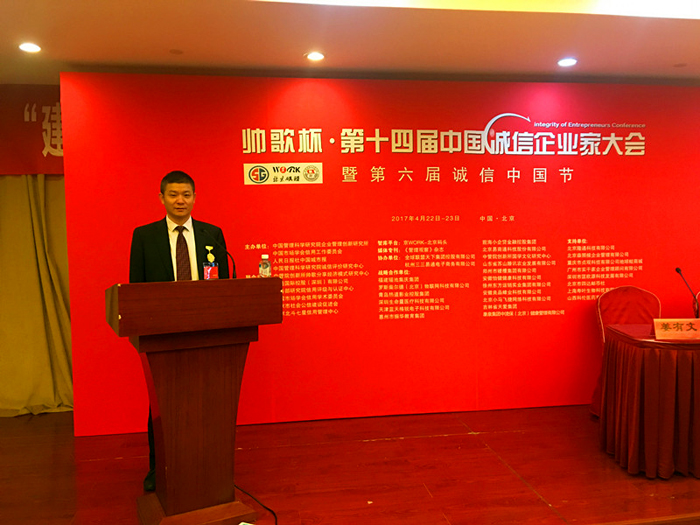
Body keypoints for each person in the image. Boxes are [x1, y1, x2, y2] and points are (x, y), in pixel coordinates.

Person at [129, 170, 232, 492]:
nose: (180, 201)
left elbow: (223, 285)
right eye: (173, 195)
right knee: (162, 404)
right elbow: (136, 289)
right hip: (163, 334)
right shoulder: (144, 236)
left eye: (186, 195)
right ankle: (158, 467)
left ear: (195, 198)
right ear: (161, 198)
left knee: (207, 402)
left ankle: (208, 466)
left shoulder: (212, 234)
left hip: (206, 332)